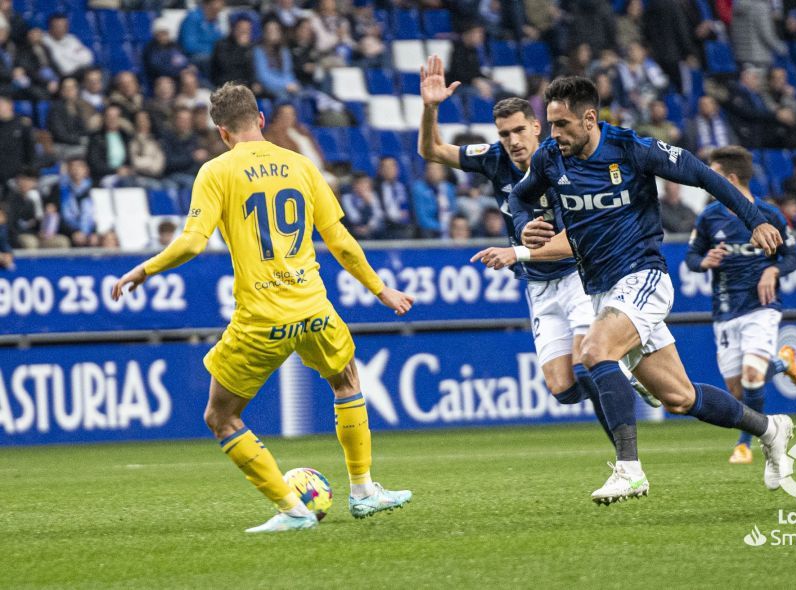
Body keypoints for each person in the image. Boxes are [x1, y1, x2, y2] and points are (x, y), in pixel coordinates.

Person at [111, 82, 413, 534]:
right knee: (347, 380)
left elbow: (192, 242)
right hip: (313, 307)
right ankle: (364, 489)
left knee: (221, 416)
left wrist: (145, 270)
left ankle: (293, 510)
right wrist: (381, 290)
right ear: (262, 120)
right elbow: (340, 241)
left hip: (263, 316)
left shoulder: (217, 171)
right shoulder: (301, 165)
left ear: (221, 132)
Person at [510, 76, 795, 504]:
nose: (554, 135)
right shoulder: (551, 158)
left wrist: (755, 219)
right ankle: (771, 429)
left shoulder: (631, 149)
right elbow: (519, 197)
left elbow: (703, 175)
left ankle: (629, 471)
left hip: (643, 277)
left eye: (562, 124)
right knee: (681, 397)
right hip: (603, 291)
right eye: (551, 124)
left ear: (590, 119)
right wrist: (523, 225)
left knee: (593, 351)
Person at [418, 55, 657, 452]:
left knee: (588, 360)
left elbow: (580, 235)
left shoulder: (566, 159)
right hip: (539, 286)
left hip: (580, 276)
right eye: (503, 133)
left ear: (536, 127)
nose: (512, 141)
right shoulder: (494, 158)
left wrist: (517, 252)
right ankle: (622, 376)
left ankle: (626, 456)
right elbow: (432, 151)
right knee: (562, 388)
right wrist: (430, 109)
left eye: (518, 131)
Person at [685, 146, 796, 464]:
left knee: (753, 375)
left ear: (730, 178)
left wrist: (773, 269)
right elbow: (691, 258)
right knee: (738, 392)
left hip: (761, 306)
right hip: (725, 310)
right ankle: (781, 363)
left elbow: (792, 257)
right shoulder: (709, 217)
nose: (705, 181)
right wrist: (704, 261)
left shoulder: (769, 215)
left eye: (712, 174)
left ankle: (746, 445)